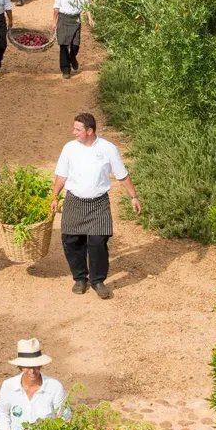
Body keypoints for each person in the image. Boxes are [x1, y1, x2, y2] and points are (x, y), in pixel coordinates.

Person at [51, 112, 140, 299]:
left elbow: (122, 175)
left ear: (89, 131)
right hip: (74, 201)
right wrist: (54, 196)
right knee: (71, 241)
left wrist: (133, 196)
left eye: (77, 129)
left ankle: (98, 280)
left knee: (98, 242)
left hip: (99, 203)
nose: (73, 132)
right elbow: (61, 175)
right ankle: (80, 277)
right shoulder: (69, 149)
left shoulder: (108, 149)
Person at [51, 0, 88, 80]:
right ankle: (65, 69)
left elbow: (85, 5)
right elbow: (56, 6)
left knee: (75, 45)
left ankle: (72, 57)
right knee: (63, 45)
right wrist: (54, 21)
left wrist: (88, 16)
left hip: (75, 19)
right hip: (63, 18)